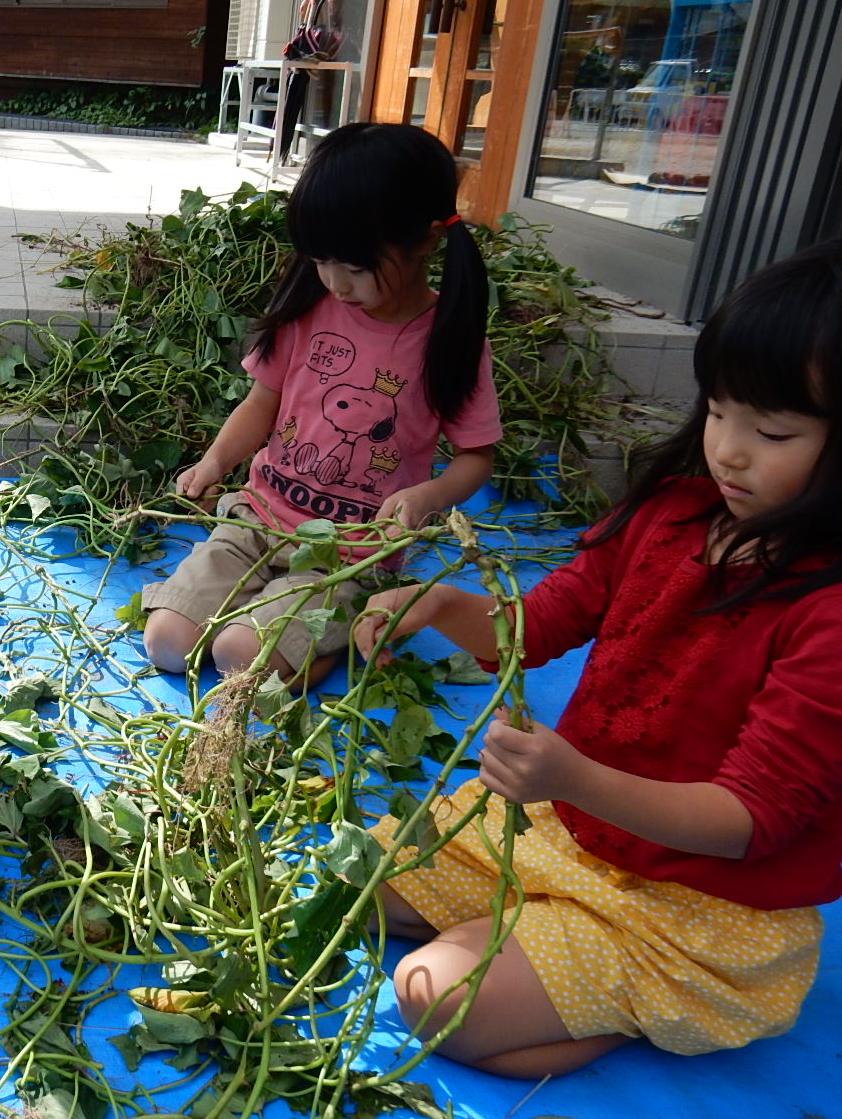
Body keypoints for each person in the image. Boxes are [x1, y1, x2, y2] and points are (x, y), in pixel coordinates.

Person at [352, 239, 842, 1078]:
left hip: (692, 902)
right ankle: (538, 930)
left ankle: (657, 1001)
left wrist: (571, 777)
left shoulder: (828, 612)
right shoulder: (677, 513)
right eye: (719, 411)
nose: (727, 448)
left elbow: (750, 820)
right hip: (569, 828)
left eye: (772, 430)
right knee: (361, 883)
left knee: (431, 994)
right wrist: (433, 604)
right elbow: (542, 623)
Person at [142, 122, 501, 688]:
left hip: (350, 550)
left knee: (241, 658)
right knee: (167, 644)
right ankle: (284, 622)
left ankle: (340, 630)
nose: (334, 282)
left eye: (355, 268)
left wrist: (428, 496)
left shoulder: (450, 339)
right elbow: (263, 402)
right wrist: (214, 463)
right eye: (320, 261)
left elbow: (477, 455)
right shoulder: (309, 310)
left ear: (427, 240)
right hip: (259, 518)